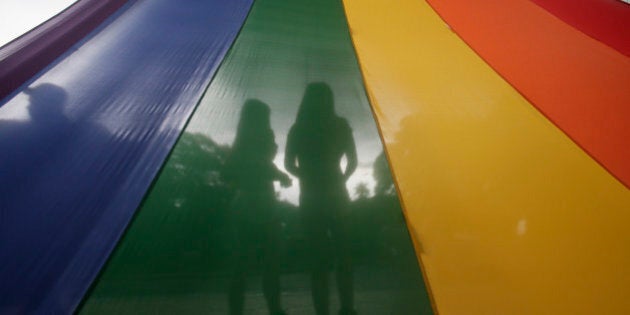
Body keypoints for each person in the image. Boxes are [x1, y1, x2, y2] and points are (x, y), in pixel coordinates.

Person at [284, 83, 358, 315]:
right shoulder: (340, 125)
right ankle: (347, 308)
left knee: (317, 261)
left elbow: (288, 164)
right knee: (344, 256)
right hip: (337, 194)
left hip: (310, 196)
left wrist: (304, 175)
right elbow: (353, 161)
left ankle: (321, 311)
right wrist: (341, 179)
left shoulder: (298, 128)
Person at [222, 99, 290, 315]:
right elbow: (262, 165)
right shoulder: (263, 137)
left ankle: (237, 311)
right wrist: (279, 175)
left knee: (240, 266)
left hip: (244, 204)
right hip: (264, 204)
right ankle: (275, 309)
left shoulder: (240, 143)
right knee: (271, 264)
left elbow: (228, 174)